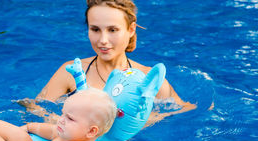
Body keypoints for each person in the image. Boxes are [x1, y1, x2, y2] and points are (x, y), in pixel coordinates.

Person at [20, 0, 196, 125]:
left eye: (113, 30)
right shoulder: (72, 72)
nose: (103, 40)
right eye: (95, 29)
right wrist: (70, 125)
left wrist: (149, 119)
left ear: (131, 29)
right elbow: (34, 108)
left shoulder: (149, 79)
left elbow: (186, 110)